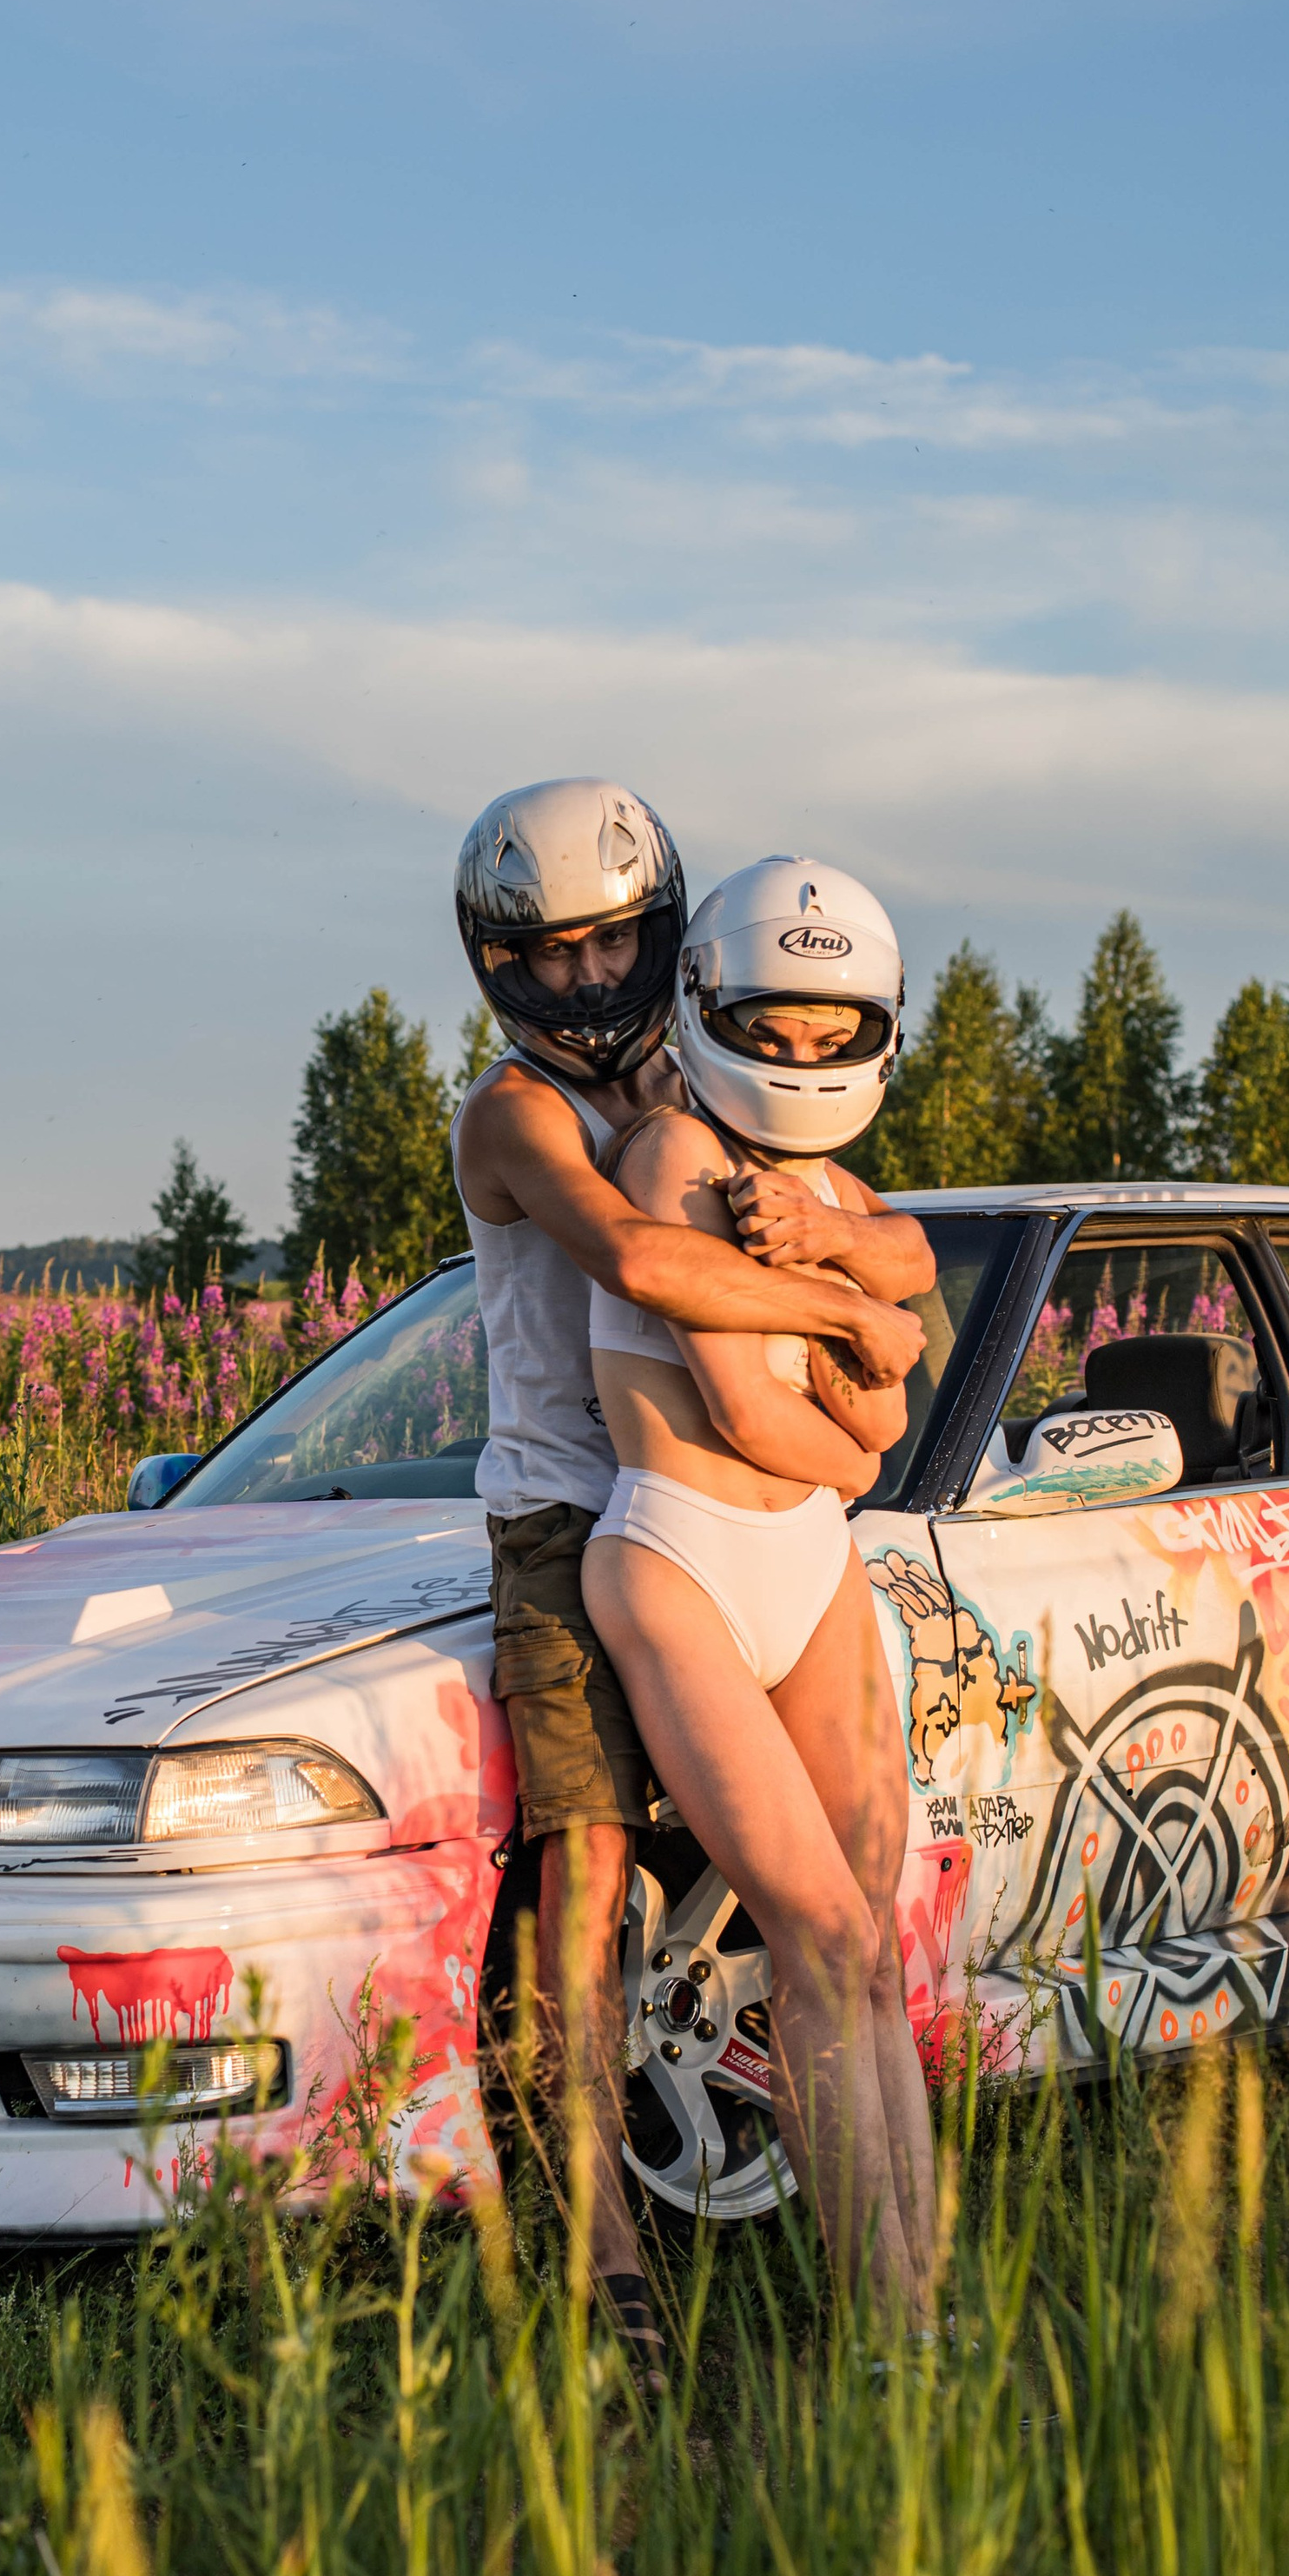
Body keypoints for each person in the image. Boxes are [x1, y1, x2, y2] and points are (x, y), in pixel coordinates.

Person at [449, 785, 928, 2367]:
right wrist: (863, 1321)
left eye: (610, 951)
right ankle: (605, 2273)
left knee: (827, 1925)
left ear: (667, 941)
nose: (582, 987)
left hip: (745, 1529)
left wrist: (852, 1259)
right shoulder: (518, 1115)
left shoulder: (717, 1086)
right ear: (495, 966)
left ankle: (874, 2283)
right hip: (568, 1514)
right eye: (547, 960)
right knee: (585, 1891)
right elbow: (646, 1266)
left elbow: (900, 1242)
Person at [578, 856, 940, 2322]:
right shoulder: (674, 1160)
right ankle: (885, 2331)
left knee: (870, 1943)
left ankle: (919, 2300)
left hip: (807, 1567)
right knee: (825, 1940)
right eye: (770, 1028)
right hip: (683, 1556)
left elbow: (901, 1331)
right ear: (716, 1006)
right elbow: (757, 1417)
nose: (797, 1059)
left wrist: (866, 1317)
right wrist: (867, 1380)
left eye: (825, 1033)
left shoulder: (837, 1191)